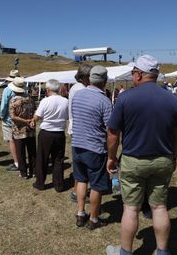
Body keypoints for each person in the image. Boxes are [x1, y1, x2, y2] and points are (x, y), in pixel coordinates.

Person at [106, 55, 177, 255]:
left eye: (133, 73)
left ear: (139, 74)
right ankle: (162, 251)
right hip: (163, 159)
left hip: (133, 160)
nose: (133, 76)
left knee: (131, 208)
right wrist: (173, 157)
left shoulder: (125, 98)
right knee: (159, 207)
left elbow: (113, 134)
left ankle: (125, 251)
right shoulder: (172, 99)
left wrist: (111, 157)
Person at [71, 65, 112, 230]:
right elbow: (111, 129)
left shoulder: (77, 95)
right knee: (96, 185)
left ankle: (80, 213)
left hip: (77, 144)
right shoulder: (104, 100)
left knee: (81, 180)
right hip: (94, 147)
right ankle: (94, 219)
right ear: (105, 81)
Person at [31, 79, 69, 192]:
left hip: (46, 133)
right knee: (58, 159)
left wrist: (33, 120)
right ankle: (59, 185)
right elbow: (67, 117)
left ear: (48, 90)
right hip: (59, 133)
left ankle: (40, 183)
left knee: (42, 159)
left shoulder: (45, 101)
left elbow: (37, 116)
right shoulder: (65, 101)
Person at [68, 63, 92, 202]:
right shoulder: (80, 89)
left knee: (80, 162)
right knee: (82, 163)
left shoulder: (76, 88)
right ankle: (77, 192)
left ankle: (77, 191)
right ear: (84, 77)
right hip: (80, 128)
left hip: (76, 127)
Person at [9, 77, 36, 178]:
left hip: (18, 130)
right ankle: (34, 171)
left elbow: (13, 117)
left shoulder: (13, 100)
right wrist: (31, 121)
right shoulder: (30, 99)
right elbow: (35, 111)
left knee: (20, 152)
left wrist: (25, 121)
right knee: (32, 151)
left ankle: (23, 173)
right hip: (30, 129)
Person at [0, 69, 20, 172]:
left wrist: (2, 116)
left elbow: (3, 106)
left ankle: (17, 163)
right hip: (21, 118)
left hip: (9, 119)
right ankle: (20, 161)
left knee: (11, 140)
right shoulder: (23, 88)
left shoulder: (7, 90)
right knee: (19, 140)